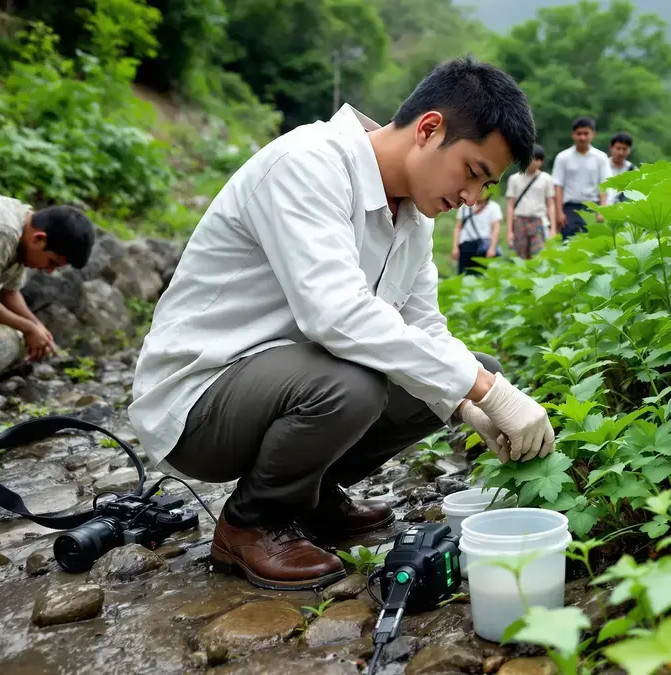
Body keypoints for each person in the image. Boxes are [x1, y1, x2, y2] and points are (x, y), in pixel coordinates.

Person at [128, 56, 556, 591]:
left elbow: (426, 330)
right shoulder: (308, 164)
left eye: (487, 186)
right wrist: (486, 391)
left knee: (466, 370)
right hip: (200, 397)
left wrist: (472, 402)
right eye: (473, 172)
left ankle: (309, 495)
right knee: (357, 384)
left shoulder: (413, 220)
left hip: (288, 384)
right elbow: (335, 315)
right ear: (429, 129)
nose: (473, 198)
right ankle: (250, 524)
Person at [0, 197, 94, 393]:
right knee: (4, 343)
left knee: (20, 338)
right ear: (39, 239)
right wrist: (28, 327)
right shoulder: (1, 232)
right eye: (51, 262)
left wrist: (37, 327)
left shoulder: (25, 227)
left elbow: (10, 293)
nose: (49, 271)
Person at [552, 117, 611, 240]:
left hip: (592, 207)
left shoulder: (601, 158)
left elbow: (604, 185)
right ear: (573, 135)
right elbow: (558, 186)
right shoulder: (562, 157)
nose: (582, 137)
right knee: (568, 244)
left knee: (591, 244)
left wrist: (601, 210)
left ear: (593, 134)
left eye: (586, 133)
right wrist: (559, 213)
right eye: (579, 134)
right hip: (570, 209)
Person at [504, 144, 556, 259]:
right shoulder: (514, 179)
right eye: (531, 158)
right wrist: (509, 231)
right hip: (520, 220)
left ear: (541, 161)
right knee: (520, 255)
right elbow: (510, 206)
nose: (534, 162)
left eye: (537, 159)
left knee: (538, 255)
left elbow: (550, 204)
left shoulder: (546, 179)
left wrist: (553, 228)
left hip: (538, 220)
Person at [450, 194, 501, 275]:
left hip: (484, 248)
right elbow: (458, 228)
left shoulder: (493, 207)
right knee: (464, 275)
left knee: (483, 276)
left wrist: (492, 248)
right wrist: (455, 247)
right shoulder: (464, 207)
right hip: (466, 246)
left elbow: (496, 229)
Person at [605, 132, 637, 204]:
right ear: (611, 148)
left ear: (629, 150)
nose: (621, 152)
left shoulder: (633, 170)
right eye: (618, 148)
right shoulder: (603, 166)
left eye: (625, 149)